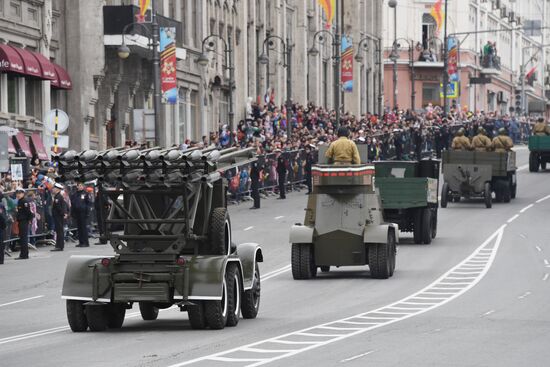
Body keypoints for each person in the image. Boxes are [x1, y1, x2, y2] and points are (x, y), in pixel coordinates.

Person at [71, 182, 91, 247]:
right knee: (79, 228)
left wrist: (87, 212)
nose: (80, 187)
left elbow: (88, 204)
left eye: (81, 186)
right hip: (77, 213)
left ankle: (85, 242)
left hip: (83, 212)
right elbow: (73, 204)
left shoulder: (85, 194)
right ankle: (81, 242)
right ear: (77, 187)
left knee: (83, 228)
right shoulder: (75, 194)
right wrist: (72, 213)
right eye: (79, 186)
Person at [15, 188, 32, 260]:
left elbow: (28, 212)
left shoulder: (24, 201)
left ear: (23, 193)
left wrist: (28, 220)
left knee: (24, 238)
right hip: (21, 221)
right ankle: (23, 254)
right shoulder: (20, 201)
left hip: (24, 221)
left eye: (19, 193)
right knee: (22, 238)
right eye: (17, 193)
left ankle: (24, 254)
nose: (18, 195)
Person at [51, 183, 68, 251]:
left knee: (59, 231)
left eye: (54, 188)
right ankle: (58, 245)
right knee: (59, 231)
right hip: (59, 216)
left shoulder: (58, 197)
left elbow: (59, 207)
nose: (53, 189)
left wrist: (62, 213)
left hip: (58, 216)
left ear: (57, 189)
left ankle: (59, 246)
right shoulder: (58, 196)